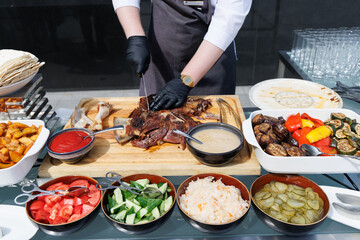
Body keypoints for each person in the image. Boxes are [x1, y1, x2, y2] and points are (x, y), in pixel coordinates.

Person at [112, 0, 252, 110]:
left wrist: (187, 80)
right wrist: (135, 35)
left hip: (211, 60)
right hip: (160, 59)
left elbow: (229, 17)